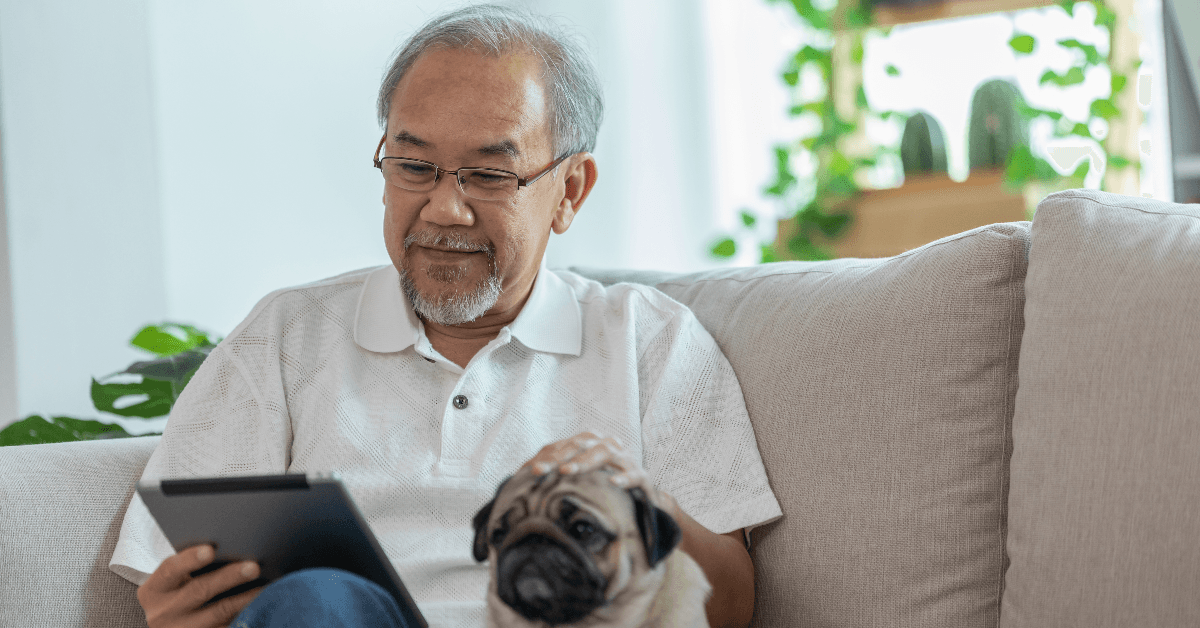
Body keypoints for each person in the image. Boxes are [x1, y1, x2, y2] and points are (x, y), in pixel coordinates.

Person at [110, 4, 781, 628]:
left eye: (489, 176)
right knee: (315, 597)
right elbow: (176, 571)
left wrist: (639, 500)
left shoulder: (650, 339)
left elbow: (730, 607)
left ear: (568, 191)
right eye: (413, 166)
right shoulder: (287, 336)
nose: (443, 210)